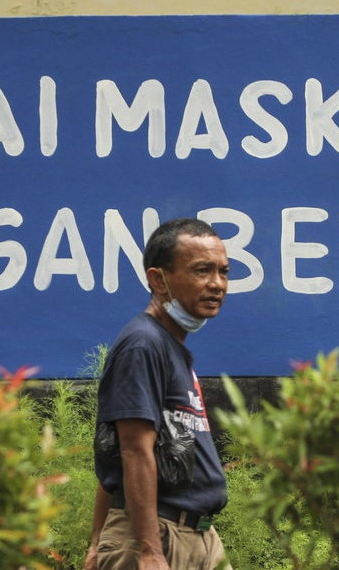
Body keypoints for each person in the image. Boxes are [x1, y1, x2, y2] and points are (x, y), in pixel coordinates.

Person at [84, 218, 232, 570]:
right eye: (202, 271)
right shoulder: (143, 344)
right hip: (160, 540)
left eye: (223, 272)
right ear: (157, 279)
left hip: (199, 538)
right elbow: (133, 450)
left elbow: (114, 452)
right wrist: (150, 551)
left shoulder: (169, 347)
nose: (217, 284)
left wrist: (95, 542)